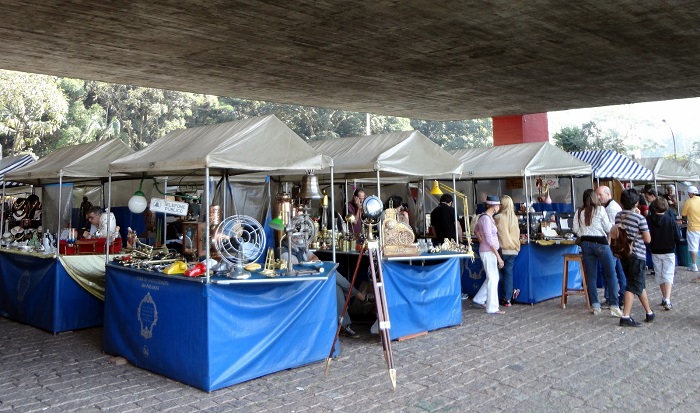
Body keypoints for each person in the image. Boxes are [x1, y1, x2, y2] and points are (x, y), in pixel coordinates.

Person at [281, 234, 372, 338]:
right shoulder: (285, 252)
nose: (300, 238)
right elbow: (297, 268)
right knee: (333, 273)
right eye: (297, 236)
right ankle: (359, 295)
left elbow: (314, 257)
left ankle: (344, 325)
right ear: (290, 238)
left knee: (337, 288)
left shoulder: (300, 247)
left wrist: (312, 261)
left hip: (313, 275)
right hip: (305, 283)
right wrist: (310, 263)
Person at [573, 189, 622, 317]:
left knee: (591, 275)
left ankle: (595, 305)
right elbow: (608, 228)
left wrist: (584, 233)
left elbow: (575, 230)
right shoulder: (600, 210)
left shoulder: (579, 211)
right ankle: (614, 305)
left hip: (585, 244)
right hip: (601, 243)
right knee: (611, 274)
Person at [616, 188, 655, 327]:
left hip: (623, 254)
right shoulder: (640, 219)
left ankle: (649, 312)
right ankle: (625, 316)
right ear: (636, 203)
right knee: (633, 285)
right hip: (637, 254)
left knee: (638, 283)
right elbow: (647, 239)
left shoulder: (618, 216)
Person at [472, 196, 505, 315]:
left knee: (492, 277)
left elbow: (476, 230)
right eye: (498, 205)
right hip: (489, 251)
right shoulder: (486, 219)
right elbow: (490, 239)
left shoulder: (484, 217)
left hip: (487, 250)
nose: (499, 207)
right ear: (494, 206)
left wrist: (481, 240)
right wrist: (499, 257)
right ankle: (492, 307)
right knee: (493, 279)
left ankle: (479, 299)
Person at [595, 185, 626, 307]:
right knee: (617, 271)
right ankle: (619, 294)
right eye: (597, 195)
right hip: (615, 245)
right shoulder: (609, 207)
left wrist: (608, 244)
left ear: (608, 194)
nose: (598, 197)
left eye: (600, 195)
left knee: (610, 271)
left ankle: (611, 297)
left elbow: (612, 230)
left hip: (613, 245)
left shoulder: (611, 209)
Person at [647, 197, 680, 310]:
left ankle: (664, 296)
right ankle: (667, 299)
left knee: (659, 274)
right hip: (669, 250)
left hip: (655, 250)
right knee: (668, 275)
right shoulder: (671, 220)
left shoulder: (649, 220)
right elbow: (678, 237)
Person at [494, 195, 520, 307]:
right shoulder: (514, 218)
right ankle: (507, 299)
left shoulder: (498, 217)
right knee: (508, 275)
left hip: (501, 250)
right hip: (513, 250)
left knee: (496, 274)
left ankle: (492, 298)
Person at [682, 185, 700, 275]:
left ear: (690, 193)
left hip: (693, 227)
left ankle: (694, 265)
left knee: (693, 246)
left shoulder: (688, 202)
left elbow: (684, 213)